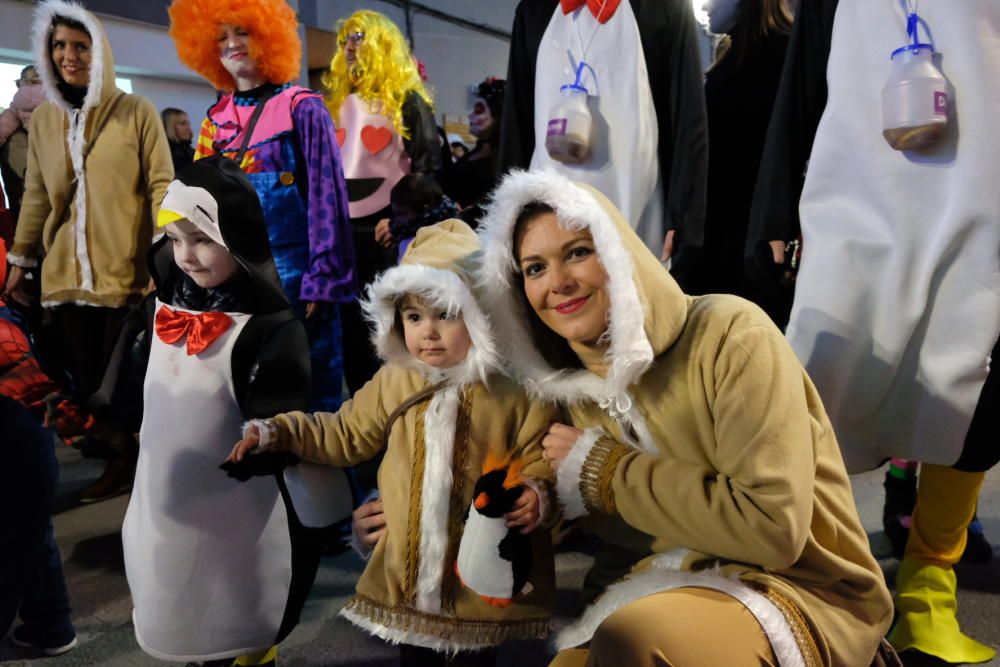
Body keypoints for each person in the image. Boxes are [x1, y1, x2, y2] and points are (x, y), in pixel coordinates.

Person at [477, 170, 896, 666]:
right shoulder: (565, 387)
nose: (558, 283)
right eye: (533, 268)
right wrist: (542, 505)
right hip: (649, 584)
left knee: (635, 640)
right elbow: (615, 539)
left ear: (617, 251)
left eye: (577, 252)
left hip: (793, 585)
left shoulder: (730, 334)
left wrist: (606, 471)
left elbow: (773, 532)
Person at [750, 1, 1000, 662]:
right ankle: (813, 576)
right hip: (857, 203)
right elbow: (801, 86)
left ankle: (927, 591)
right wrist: (773, 207)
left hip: (982, 200)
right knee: (827, 384)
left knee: (975, 393)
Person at [229, 219, 558, 666]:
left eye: (445, 314)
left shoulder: (512, 392)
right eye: (413, 316)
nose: (428, 332)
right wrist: (280, 430)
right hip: (407, 575)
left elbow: (542, 456)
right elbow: (344, 432)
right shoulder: (395, 381)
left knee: (476, 660)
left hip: (479, 573)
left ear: (480, 313)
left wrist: (535, 493)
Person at [107, 155, 351, 666]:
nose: (187, 256)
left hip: (239, 496)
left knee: (240, 597)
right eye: (176, 240)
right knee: (174, 590)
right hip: (166, 489)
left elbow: (284, 407)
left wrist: (265, 439)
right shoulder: (161, 308)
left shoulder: (270, 325)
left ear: (238, 237)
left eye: (203, 239)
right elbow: (133, 377)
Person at [4, 0, 173, 503]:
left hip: (124, 272)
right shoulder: (46, 122)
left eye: (80, 45)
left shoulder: (134, 111)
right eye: (59, 46)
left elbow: (162, 183)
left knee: (122, 381)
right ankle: (121, 459)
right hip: (62, 277)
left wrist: (163, 254)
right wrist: (20, 259)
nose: (69, 55)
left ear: (99, 50)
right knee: (81, 382)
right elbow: (35, 193)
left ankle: (144, 463)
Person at [168, 0, 355, 415]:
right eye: (220, 37)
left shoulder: (302, 108)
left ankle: (319, 477)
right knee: (248, 388)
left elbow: (328, 198)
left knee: (309, 386)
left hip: (298, 278)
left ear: (268, 36)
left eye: (243, 32)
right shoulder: (215, 120)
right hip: (234, 279)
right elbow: (199, 206)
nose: (232, 45)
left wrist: (323, 276)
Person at [499, 0, 708, 284]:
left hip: (639, 200)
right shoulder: (533, 11)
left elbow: (688, 116)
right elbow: (517, 120)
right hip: (548, 205)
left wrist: (684, 218)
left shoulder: (664, 7)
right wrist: (506, 218)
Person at [323, 9, 441, 395]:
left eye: (358, 36)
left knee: (389, 330)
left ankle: (401, 413)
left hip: (385, 233)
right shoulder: (336, 104)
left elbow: (426, 169)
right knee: (353, 334)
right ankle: (364, 423)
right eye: (345, 39)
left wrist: (402, 221)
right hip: (344, 234)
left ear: (380, 41)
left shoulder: (407, 100)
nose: (349, 46)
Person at [686, 0, 794, 327]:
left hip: (745, 230)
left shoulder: (776, 55)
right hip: (735, 228)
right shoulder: (737, 57)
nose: (707, 5)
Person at [446, 78, 505, 227]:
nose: (470, 116)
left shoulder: (504, 161)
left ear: (498, 115)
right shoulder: (472, 154)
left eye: (478, 110)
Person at [0, 65, 45, 225]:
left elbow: (5, 123)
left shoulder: (18, 100)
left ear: (20, 83)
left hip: (32, 143)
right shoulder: (56, 97)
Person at [387, 173, 458, 260]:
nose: (398, 218)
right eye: (395, 213)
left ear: (424, 211)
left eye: (402, 213)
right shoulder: (403, 232)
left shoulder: (451, 231)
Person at [160, 106, 194, 173]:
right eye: (182, 123)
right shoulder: (162, 154)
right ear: (169, 126)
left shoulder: (191, 152)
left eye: (188, 124)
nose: (188, 128)